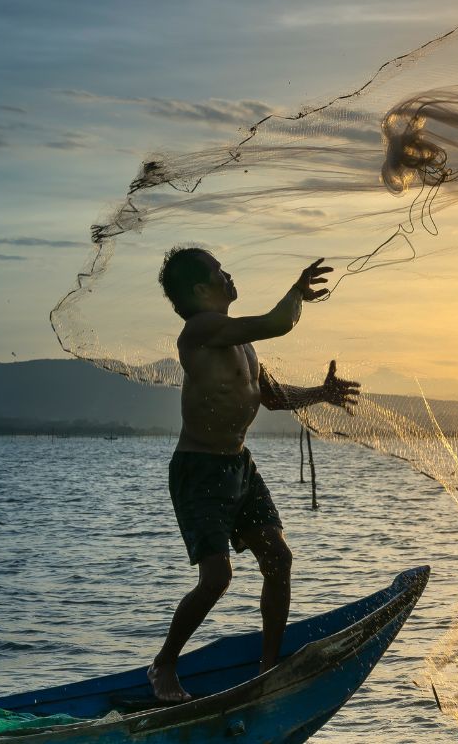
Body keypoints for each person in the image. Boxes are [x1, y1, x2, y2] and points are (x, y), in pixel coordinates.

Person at [147, 247, 361, 703]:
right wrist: (298, 292)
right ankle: (164, 664)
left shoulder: (240, 340)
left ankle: (268, 667)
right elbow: (279, 322)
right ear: (201, 289)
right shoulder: (202, 330)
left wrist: (321, 393)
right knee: (217, 578)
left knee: (278, 559)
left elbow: (275, 399)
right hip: (200, 470)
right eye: (218, 271)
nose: (229, 274)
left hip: (239, 466)